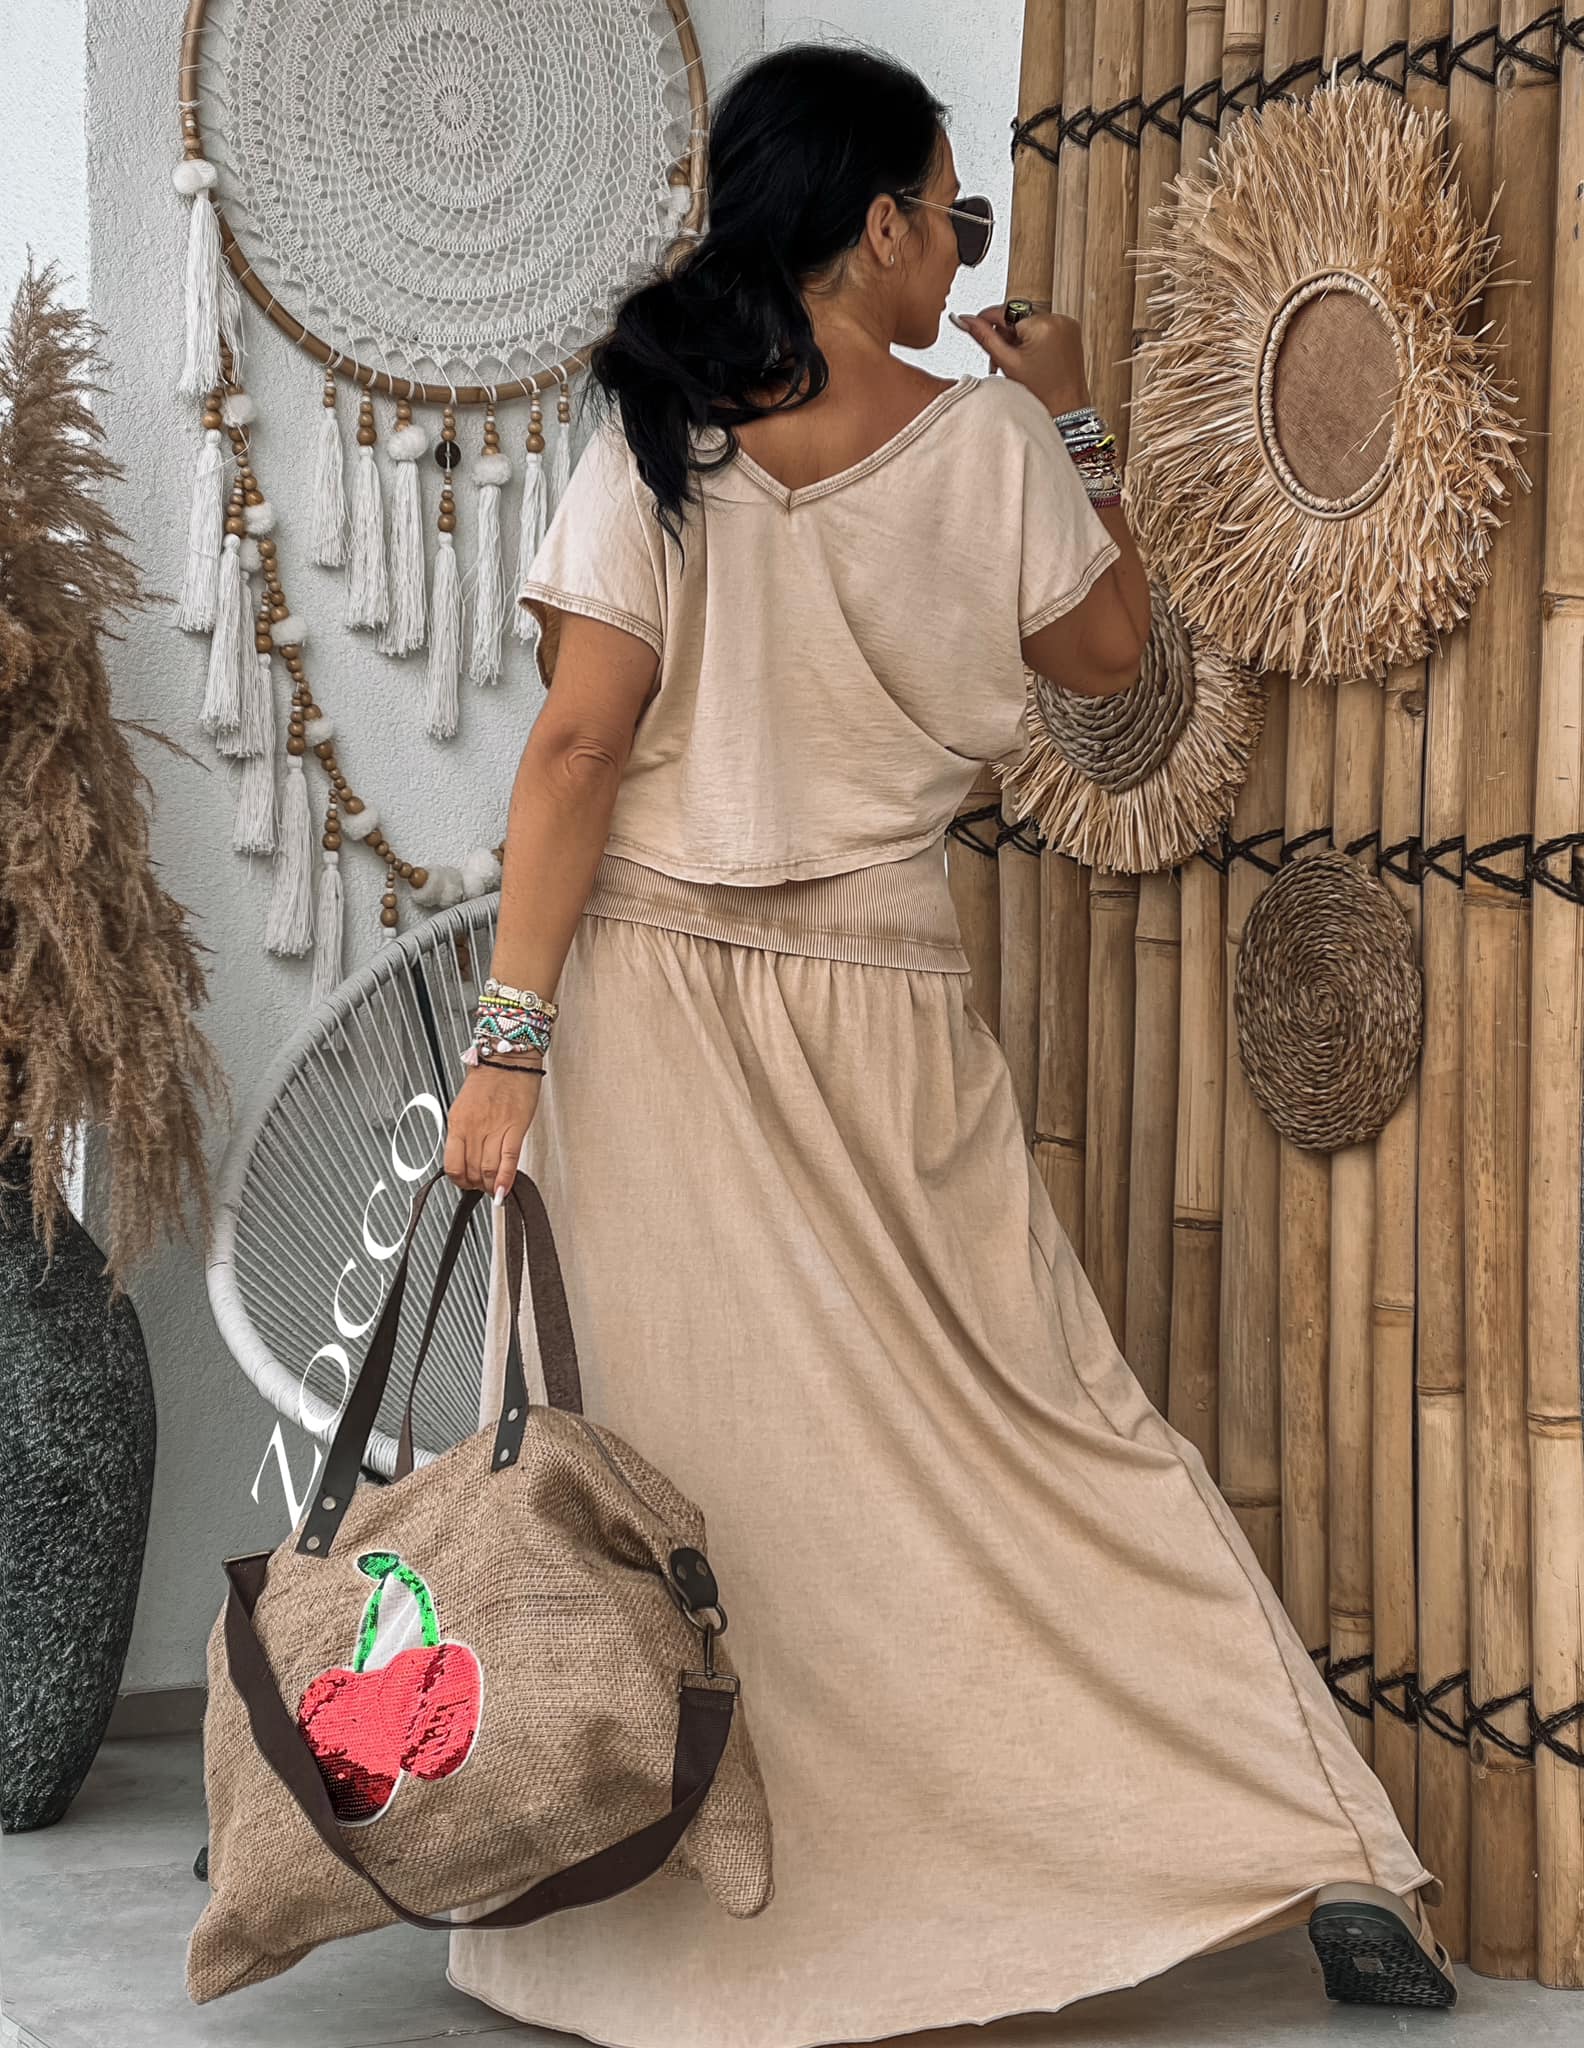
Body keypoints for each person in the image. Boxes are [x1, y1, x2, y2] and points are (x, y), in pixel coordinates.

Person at [441, 40, 1456, 2048]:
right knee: (1052, 1420)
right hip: (879, 995)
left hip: (641, 1014)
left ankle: (698, 1916)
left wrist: (509, 1039)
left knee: (687, 1466)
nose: (958, 256)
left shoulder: (659, 433)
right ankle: (1320, 1845)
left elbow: (575, 747)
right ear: (883, 223)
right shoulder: (988, 444)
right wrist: (1071, 419)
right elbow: (1111, 665)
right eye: (953, 215)